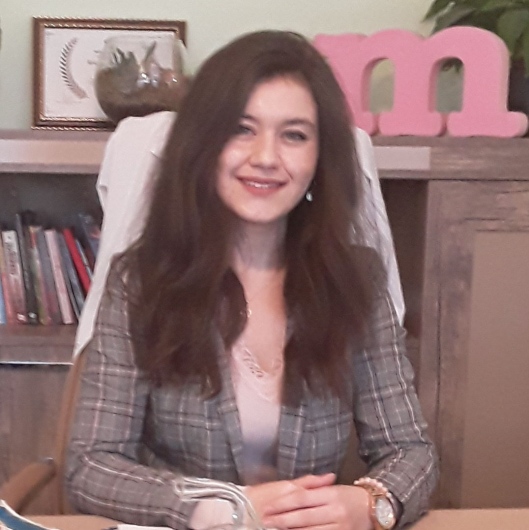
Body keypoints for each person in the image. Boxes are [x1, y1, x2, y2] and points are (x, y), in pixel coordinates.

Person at [65, 30, 438, 530]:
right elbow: (91, 465)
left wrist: (372, 504)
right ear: (202, 145)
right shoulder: (141, 281)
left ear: (320, 157)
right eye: (242, 129)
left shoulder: (356, 280)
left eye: (294, 135)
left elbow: (411, 451)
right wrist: (221, 508)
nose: (266, 156)